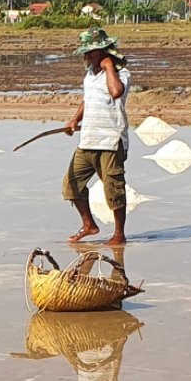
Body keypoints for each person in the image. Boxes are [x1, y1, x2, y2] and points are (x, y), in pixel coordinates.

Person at [62, 27, 131, 246]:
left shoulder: (121, 73)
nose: (86, 57)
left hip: (110, 141)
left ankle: (119, 234)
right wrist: (74, 120)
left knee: (114, 190)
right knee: (71, 185)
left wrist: (109, 67)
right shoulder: (90, 74)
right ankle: (89, 225)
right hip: (88, 139)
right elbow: (87, 100)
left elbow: (116, 92)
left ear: (102, 51)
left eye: (90, 52)